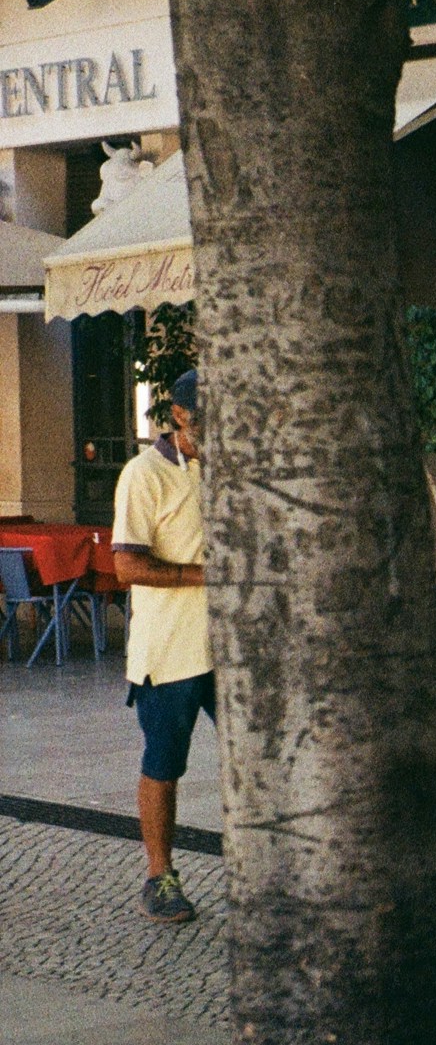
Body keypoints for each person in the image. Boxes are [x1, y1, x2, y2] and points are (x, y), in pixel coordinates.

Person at [110, 367, 212, 926]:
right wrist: (208, 576)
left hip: (236, 650)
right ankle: (160, 876)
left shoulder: (236, 467)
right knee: (164, 764)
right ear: (178, 416)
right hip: (170, 649)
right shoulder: (143, 474)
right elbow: (125, 564)